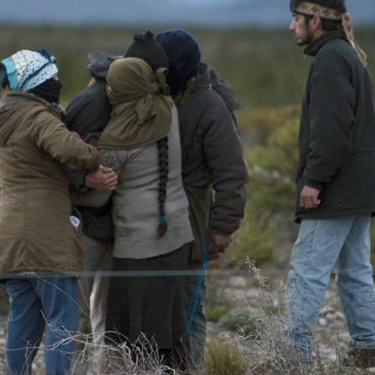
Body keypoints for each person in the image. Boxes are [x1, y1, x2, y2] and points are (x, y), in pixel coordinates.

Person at [0, 48, 117, 375]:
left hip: (11, 234)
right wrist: (92, 155)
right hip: (47, 236)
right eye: (53, 77)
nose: (58, 82)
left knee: (22, 320)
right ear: (39, 80)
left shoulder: (8, 116)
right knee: (62, 318)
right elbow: (68, 149)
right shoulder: (36, 115)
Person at [74, 45, 195, 370]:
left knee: (133, 332)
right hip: (178, 235)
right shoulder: (167, 106)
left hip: (137, 245)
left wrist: (77, 181)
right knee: (169, 325)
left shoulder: (119, 135)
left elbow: (100, 194)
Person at [285, 0, 375, 367]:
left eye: (297, 19)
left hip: (336, 189)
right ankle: (369, 347)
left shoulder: (330, 59)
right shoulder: (346, 54)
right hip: (358, 187)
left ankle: (291, 357)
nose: (292, 27)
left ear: (316, 20)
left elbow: (331, 129)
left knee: (307, 270)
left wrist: (314, 181)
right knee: (355, 270)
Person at [154, 28, 249, 371]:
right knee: (150, 307)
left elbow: (231, 174)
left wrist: (222, 228)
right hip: (144, 220)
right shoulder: (152, 95)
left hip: (191, 222)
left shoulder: (211, 105)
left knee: (188, 309)